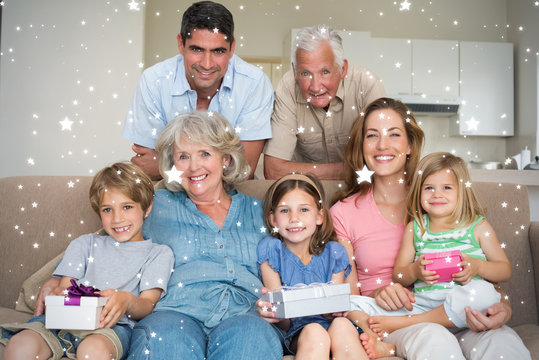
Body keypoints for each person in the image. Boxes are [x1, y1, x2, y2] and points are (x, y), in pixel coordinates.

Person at [330, 97, 531, 359]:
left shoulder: (437, 196)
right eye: (372, 136)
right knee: (435, 340)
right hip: (398, 319)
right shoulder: (344, 212)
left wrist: (503, 307)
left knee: (502, 344)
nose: (382, 145)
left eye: (394, 134)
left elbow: (483, 273)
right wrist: (381, 292)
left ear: (410, 144)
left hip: (463, 313)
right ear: (361, 145)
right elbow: (348, 297)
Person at [1, 162, 174, 360]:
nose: (117, 218)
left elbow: (148, 304)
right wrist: (57, 297)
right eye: (107, 210)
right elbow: (64, 289)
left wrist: (126, 301)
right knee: (19, 347)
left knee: (92, 352)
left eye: (127, 207)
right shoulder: (84, 244)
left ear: (147, 208)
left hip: (110, 328)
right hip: (63, 322)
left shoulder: (158, 253)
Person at [347, 152, 511, 357]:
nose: (437, 194)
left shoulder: (477, 226)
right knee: (352, 304)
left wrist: (479, 267)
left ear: (462, 191)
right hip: (423, 305)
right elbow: (399, 274)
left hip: (467, 309)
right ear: (419, 191)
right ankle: (417, 321)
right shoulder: (416, 228)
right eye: (429, 188)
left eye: (447, 188)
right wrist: (415, 271)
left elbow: (504, 269)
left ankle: (405, 324)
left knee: (484, 292)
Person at [124, 1, 273, 180]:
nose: (206, 64)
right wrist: (219, 164)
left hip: (232, 197)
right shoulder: (153, 82)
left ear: (232, 48)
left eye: (218, 51)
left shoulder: (254, 84)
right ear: (181, 43)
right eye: (197, 49)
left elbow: (243, 171)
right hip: (169, 195)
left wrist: (164, 167)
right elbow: (145, 166)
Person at [257, 173, 395, 359]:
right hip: (300, 332)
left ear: (319, 216)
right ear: (273, 220)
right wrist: (275, 314)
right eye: (284, 211)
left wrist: (335, 311)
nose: (294, 218)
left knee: (342, 325)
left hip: (333, 324)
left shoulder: (334, 252)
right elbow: (282, 317)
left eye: (304, 210)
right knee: (314, 331)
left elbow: (335, 307)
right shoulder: (271, 250)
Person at [263, 25, 386, 180]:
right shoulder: (288, 88)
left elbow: (383, 162)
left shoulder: (366, 85)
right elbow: (274, 171)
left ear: (343, 69)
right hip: (305, 193)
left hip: (359, 192)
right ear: (295, 72)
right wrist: (353, 171)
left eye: (325, 72)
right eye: (305, 73)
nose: (315, 87)